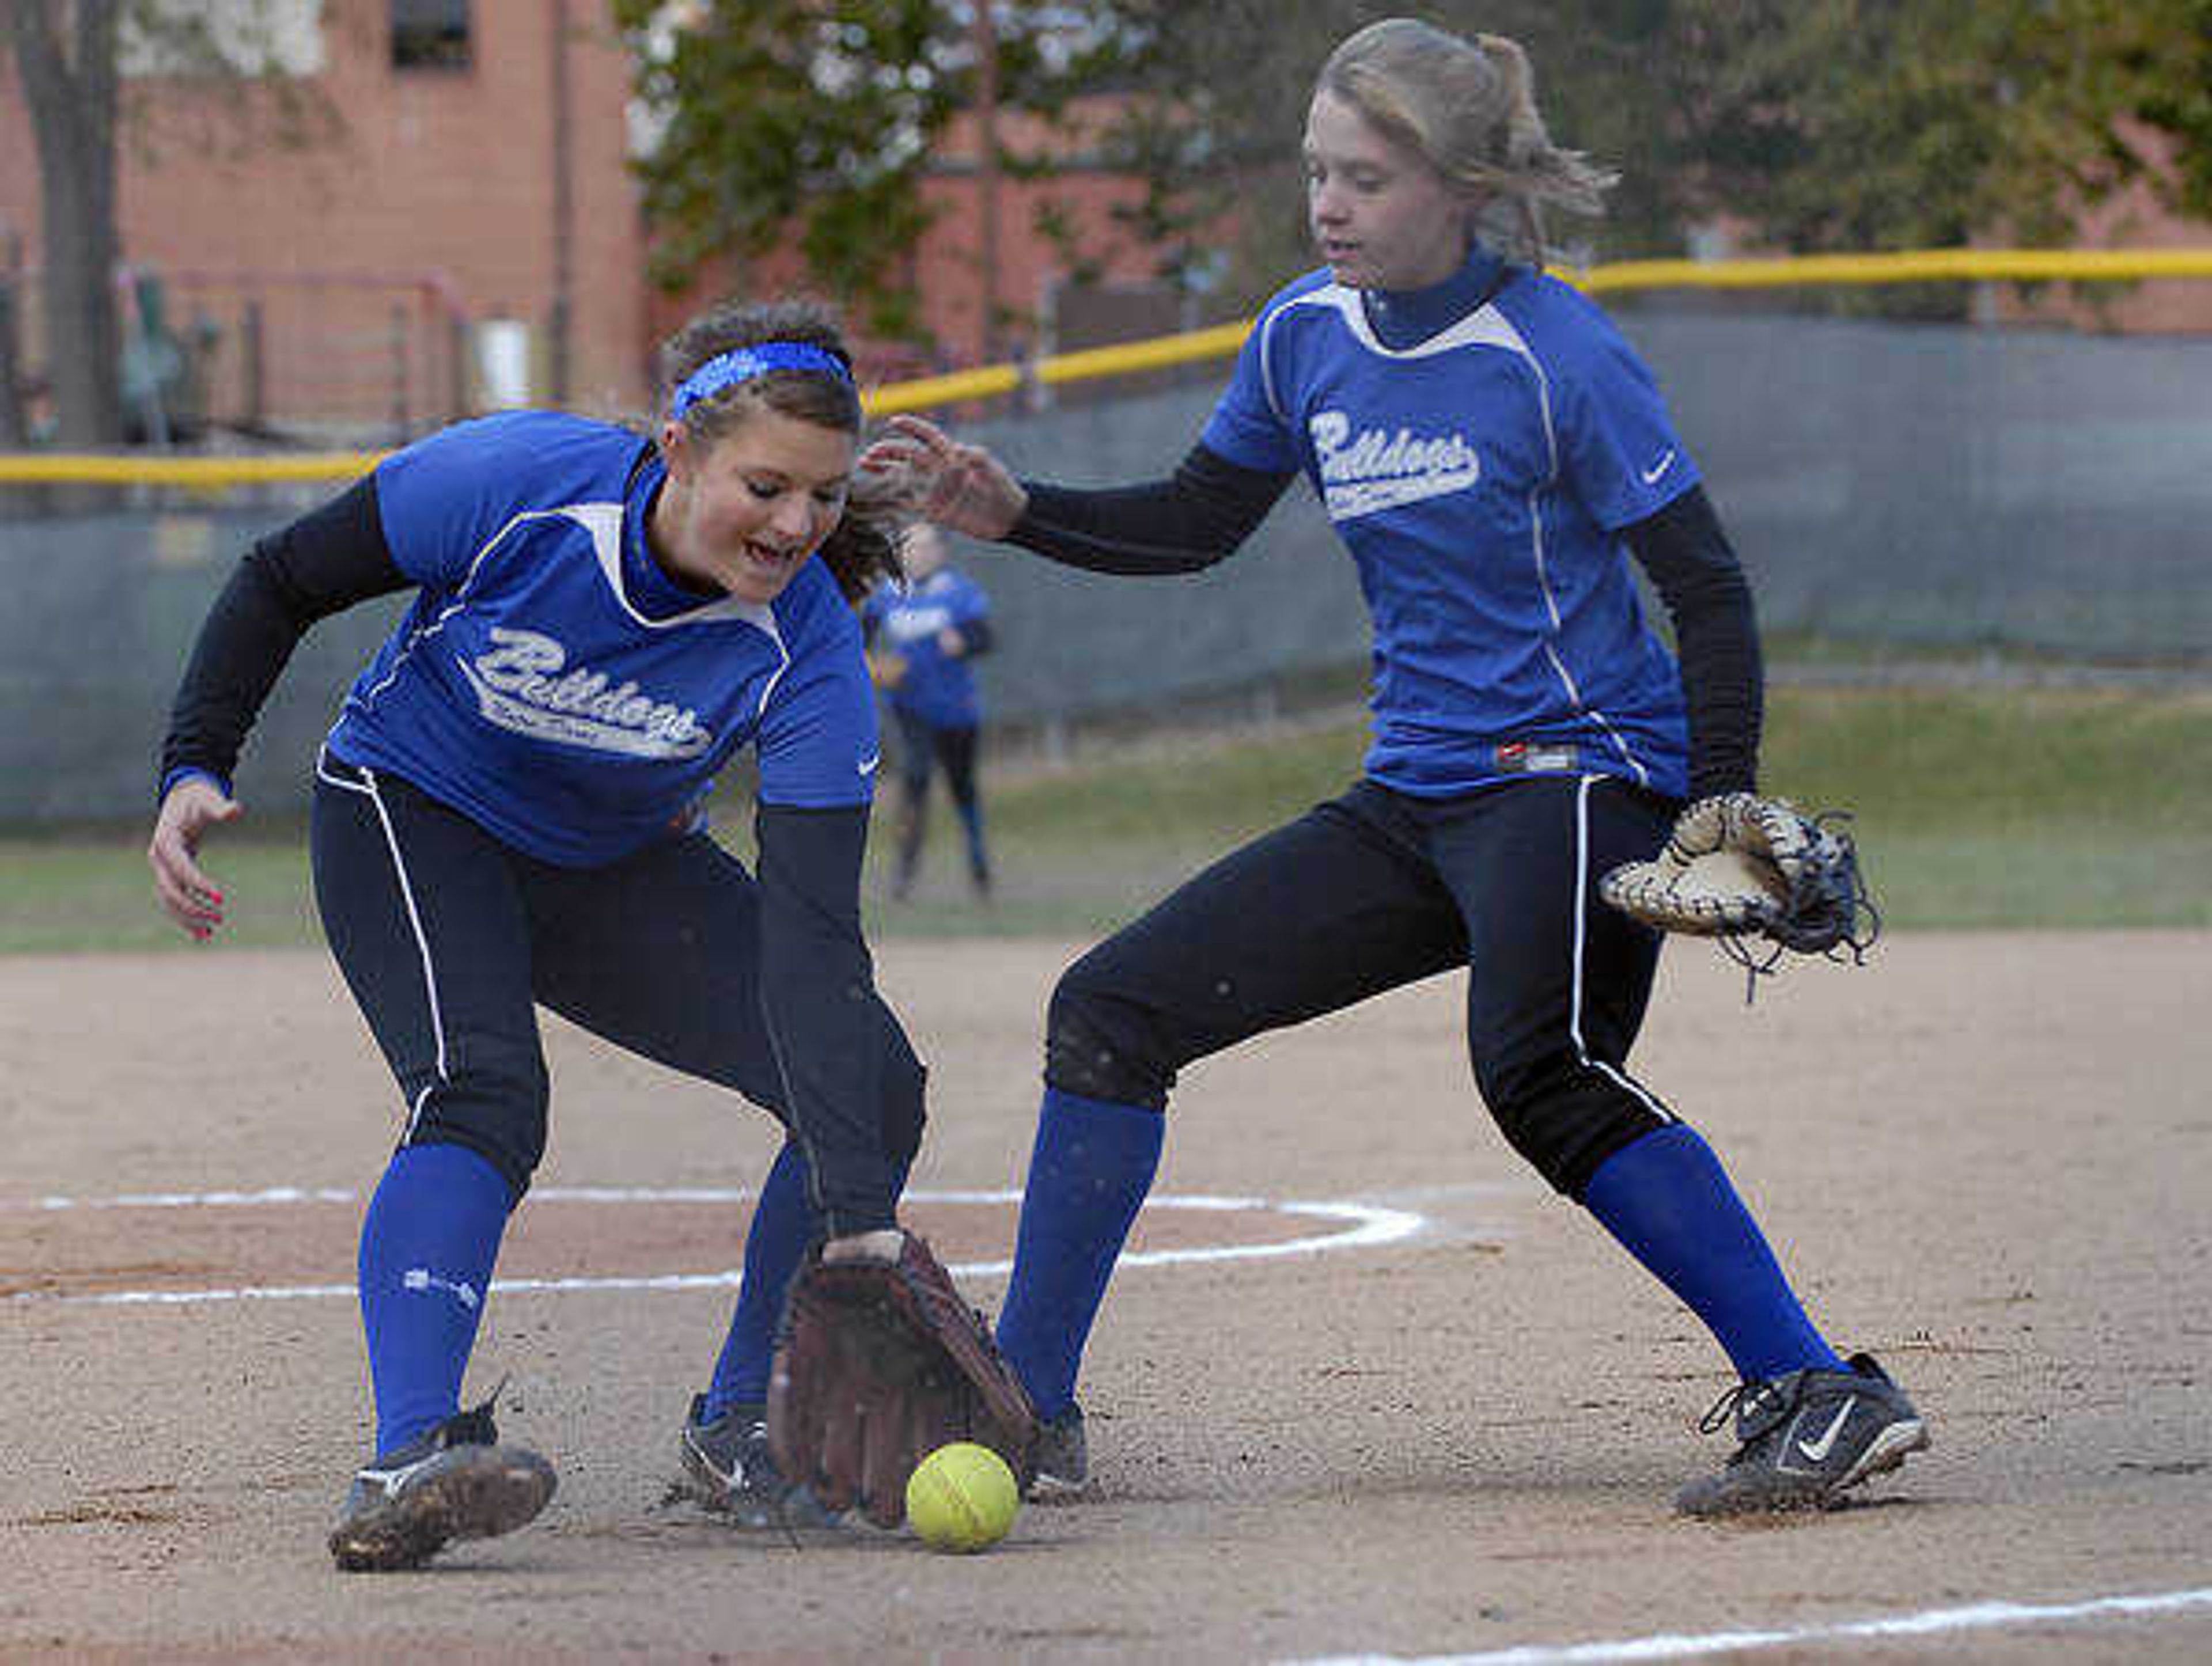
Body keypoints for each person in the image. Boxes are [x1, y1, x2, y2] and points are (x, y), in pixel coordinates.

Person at [866, 17, 1928, 1517]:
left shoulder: (1555, 351)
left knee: (1541, 1069)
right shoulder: (1307, 332)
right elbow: (1196, 520)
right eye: (1317, 170)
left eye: (1364, 176)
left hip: (1578, 777)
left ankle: (1822, 1384)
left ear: (1465, 190)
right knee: (1111, 1010)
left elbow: (1706, 587)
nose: (1329, 205)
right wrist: (1014, 506)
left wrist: (1721, 802)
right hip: (1418, 791)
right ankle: (1030, 1404)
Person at [149, 298, 936, 1570]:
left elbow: (813, 945)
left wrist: (855, 1210)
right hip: (414, 807)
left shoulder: (811, 655)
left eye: (826, 497)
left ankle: (745, 1423)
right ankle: (407, 1456)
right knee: (482, 1091)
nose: (797, 525)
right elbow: (281, 578)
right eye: (767, 485)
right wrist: (194, 763)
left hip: (612, 862)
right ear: (678, 448)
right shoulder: (523, 482)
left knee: (870, 1081)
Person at [861, 522, 996, 898]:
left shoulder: (958, 593)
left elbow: (985, 637)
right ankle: (904, 874)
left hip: (957, 710)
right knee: (915, 779)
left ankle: (979, 865)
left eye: (925, 547)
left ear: (941, 552)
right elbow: (861, 641)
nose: (916, 554)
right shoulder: (887, 595)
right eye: (909, 547)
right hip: (910, 707)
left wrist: (964, 641)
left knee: (962, 788)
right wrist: (871, 664)